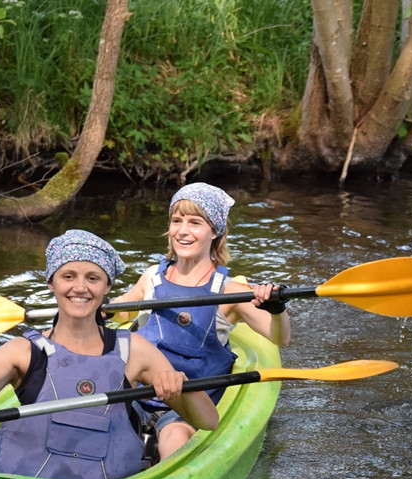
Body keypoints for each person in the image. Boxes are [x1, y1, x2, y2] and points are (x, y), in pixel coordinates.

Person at [0, 230, 218, 479]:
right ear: (51, 282)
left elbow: (208, 421)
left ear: (107, 286)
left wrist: (181, 385)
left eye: (93, 278)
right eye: (68, 276)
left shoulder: (134, 351)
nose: (80, 287)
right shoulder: (23, 351)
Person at [113, 182, 292, 460]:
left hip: (186, 407)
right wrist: (101, 307)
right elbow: (123, 310)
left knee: (174, 439)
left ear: (215, 231)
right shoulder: (152, 277)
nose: (183, 231)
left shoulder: (229, 292)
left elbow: (279, 337)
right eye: (176, 221)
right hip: (138, 395)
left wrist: (277, 309)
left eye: (195, 222)